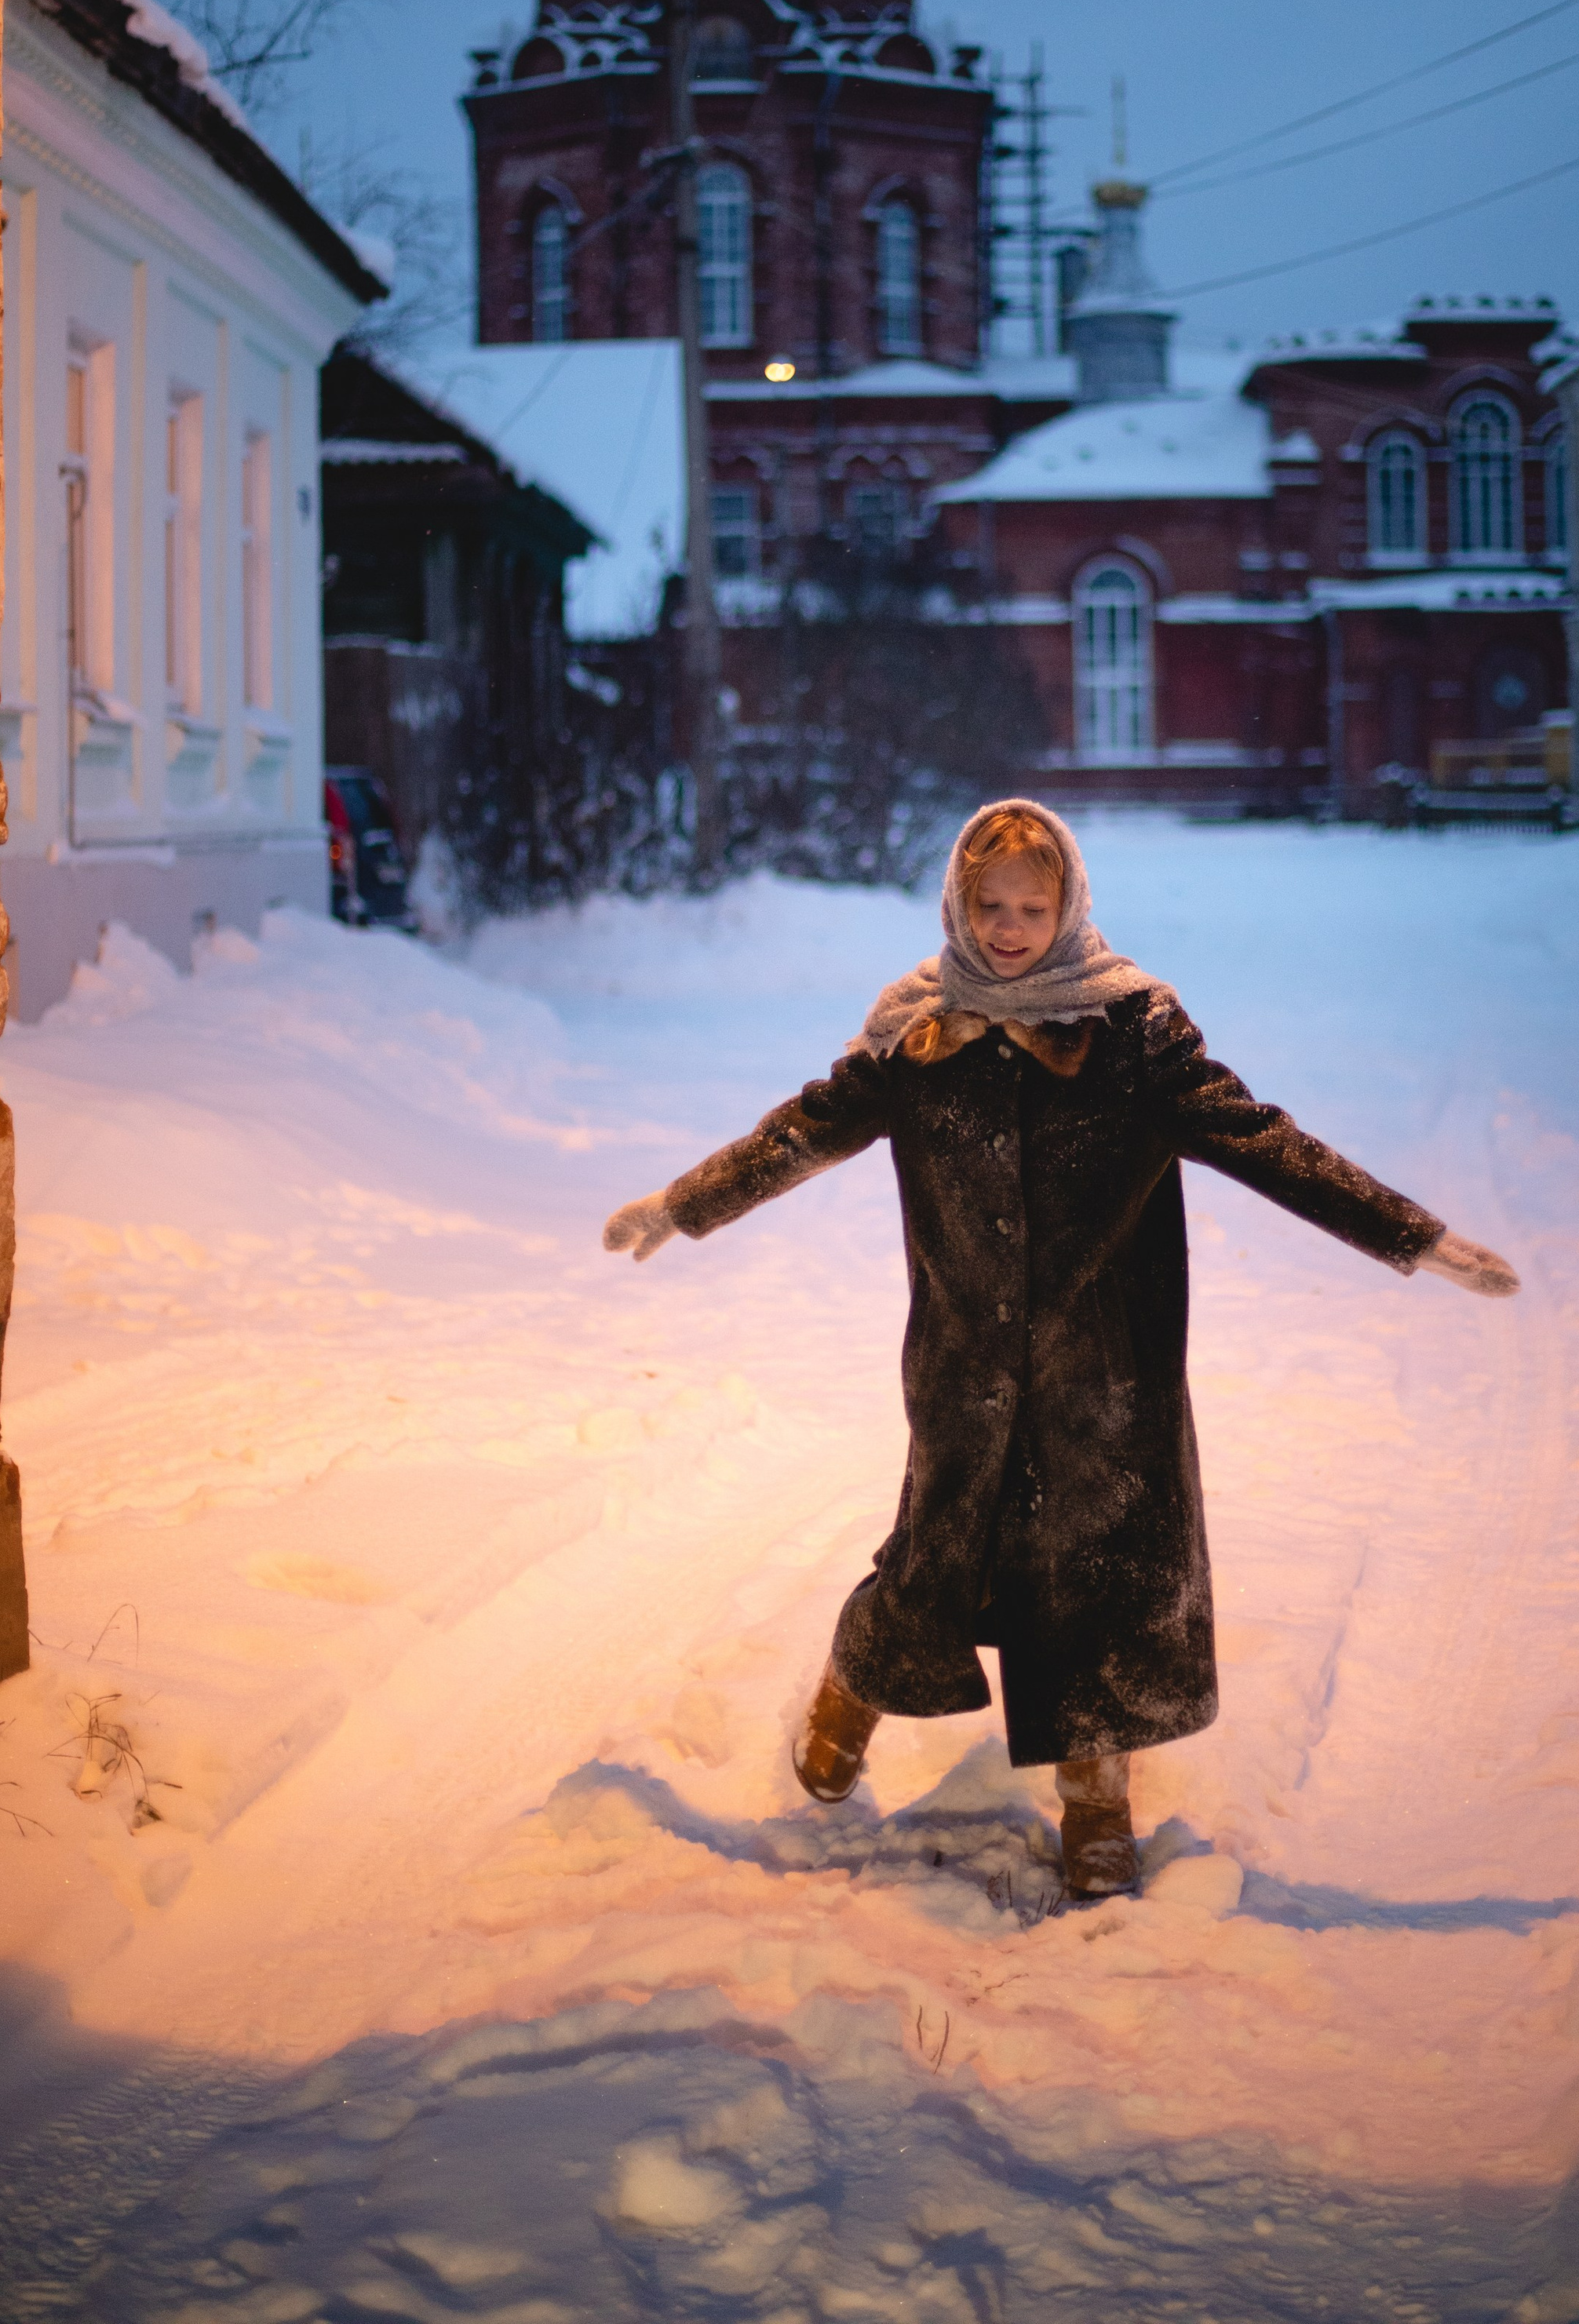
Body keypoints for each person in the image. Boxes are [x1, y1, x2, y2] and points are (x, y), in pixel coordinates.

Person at [604, 797, 1515, 1900]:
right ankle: (855, 1681)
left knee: (1097, 1581)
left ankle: (1096, 1794)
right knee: (940, 1554)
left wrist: (1410, 1234)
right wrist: (682, 1206)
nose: (1008, 926)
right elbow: (804, 1129)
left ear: (1070, 902)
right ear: (958, 900)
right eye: (988, 906)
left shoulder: (1133, 1031)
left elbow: (1261, 1138)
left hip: (1106, 1374)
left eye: (1032, 906)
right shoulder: (917, 1033)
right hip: (964, 1363)